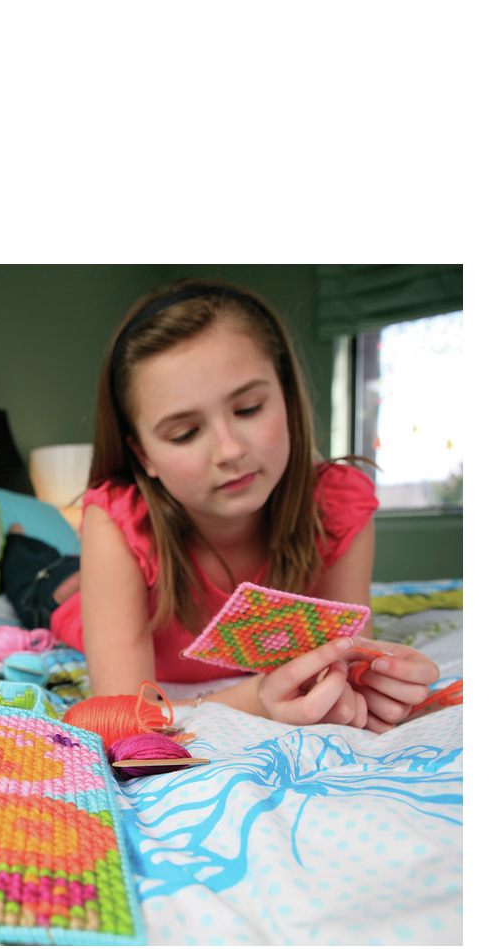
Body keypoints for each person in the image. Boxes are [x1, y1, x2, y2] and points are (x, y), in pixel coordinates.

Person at [48, 279, 439, 733]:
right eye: (185, 434)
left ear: (287, 397)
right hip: (65, 601)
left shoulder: (338, 506)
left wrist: (372, 679)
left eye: (249, 408)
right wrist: (258, 698)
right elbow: (122, 714)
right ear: (143, 456)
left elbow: (344, 660)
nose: (230, 450)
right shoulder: (117, 520)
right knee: (45, 579)